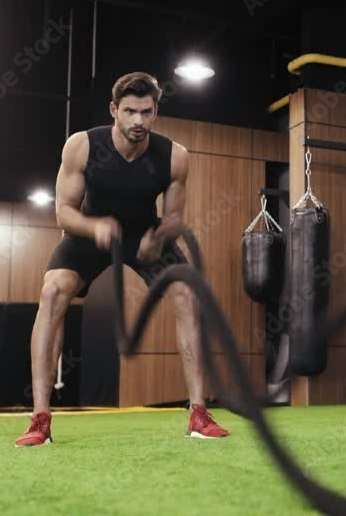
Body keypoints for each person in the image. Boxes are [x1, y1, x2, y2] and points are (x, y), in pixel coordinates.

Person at [15, 72, 230, 447]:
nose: (138, 121)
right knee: (53, 291)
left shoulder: (174, 156)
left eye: (146, 112)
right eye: (130, 111)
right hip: (88, 231)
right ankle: (40, 419)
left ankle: (198, 413)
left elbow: (176, 218)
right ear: (114, 110)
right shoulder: (82, 146)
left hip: (146, 234)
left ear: (155, 112)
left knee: (186, 293)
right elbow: (63, 212)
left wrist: (159, 236)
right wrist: (94, 227)